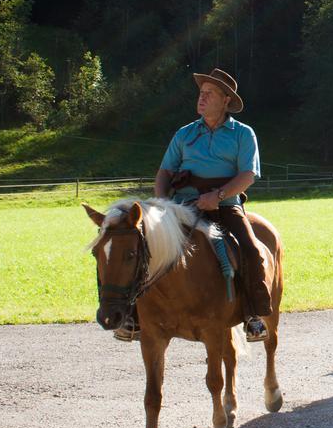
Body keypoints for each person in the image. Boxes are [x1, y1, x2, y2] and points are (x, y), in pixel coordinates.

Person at [114, 68, 270, 343]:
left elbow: (248, 175)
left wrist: (218, 196)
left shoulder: (243, 134)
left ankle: (253, 315)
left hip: (225, 206)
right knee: (142, 247)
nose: (202, 98)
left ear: (225, 101)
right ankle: (132, 317)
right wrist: (161, 202)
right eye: (201, 93)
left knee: (250, 249)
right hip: (180, 205)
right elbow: (164, 172)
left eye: (209, 94)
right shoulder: (184, 134)